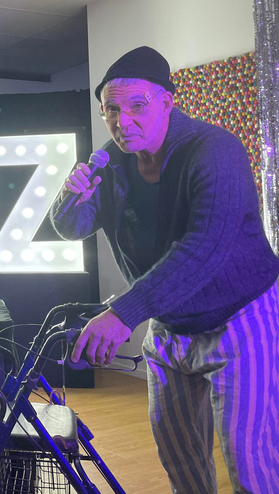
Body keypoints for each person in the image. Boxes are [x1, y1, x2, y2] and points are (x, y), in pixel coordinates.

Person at [50, 46, 279, 493]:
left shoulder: (216, 150)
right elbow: (72, 227)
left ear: (167, 103)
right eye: (111, 110)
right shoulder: (110, 160)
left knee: (248, 459)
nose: (122, 121)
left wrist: (123, 313)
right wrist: (68, 196)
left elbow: (204, 248)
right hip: (171, 321)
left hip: (239, 316)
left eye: (137, 106)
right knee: (179, 459)